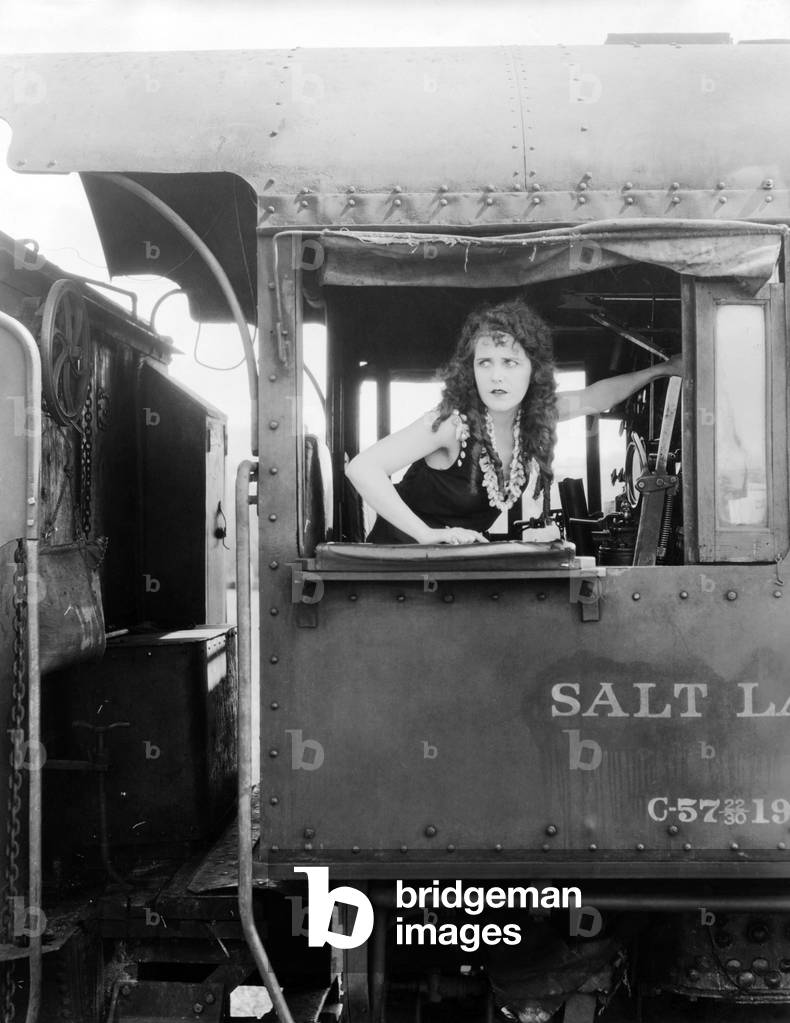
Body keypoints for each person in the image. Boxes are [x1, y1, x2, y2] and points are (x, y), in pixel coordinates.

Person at [345, 298, 682, 545]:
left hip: (454, 565)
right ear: (471, 370)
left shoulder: (534, 416)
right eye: (484, 363)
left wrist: (662, 370)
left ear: (532, 369)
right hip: (396, 569)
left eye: (510, 362)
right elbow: (362, 468)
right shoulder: (451, 424)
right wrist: (427, 535)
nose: (496, 377)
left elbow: (597, 398)